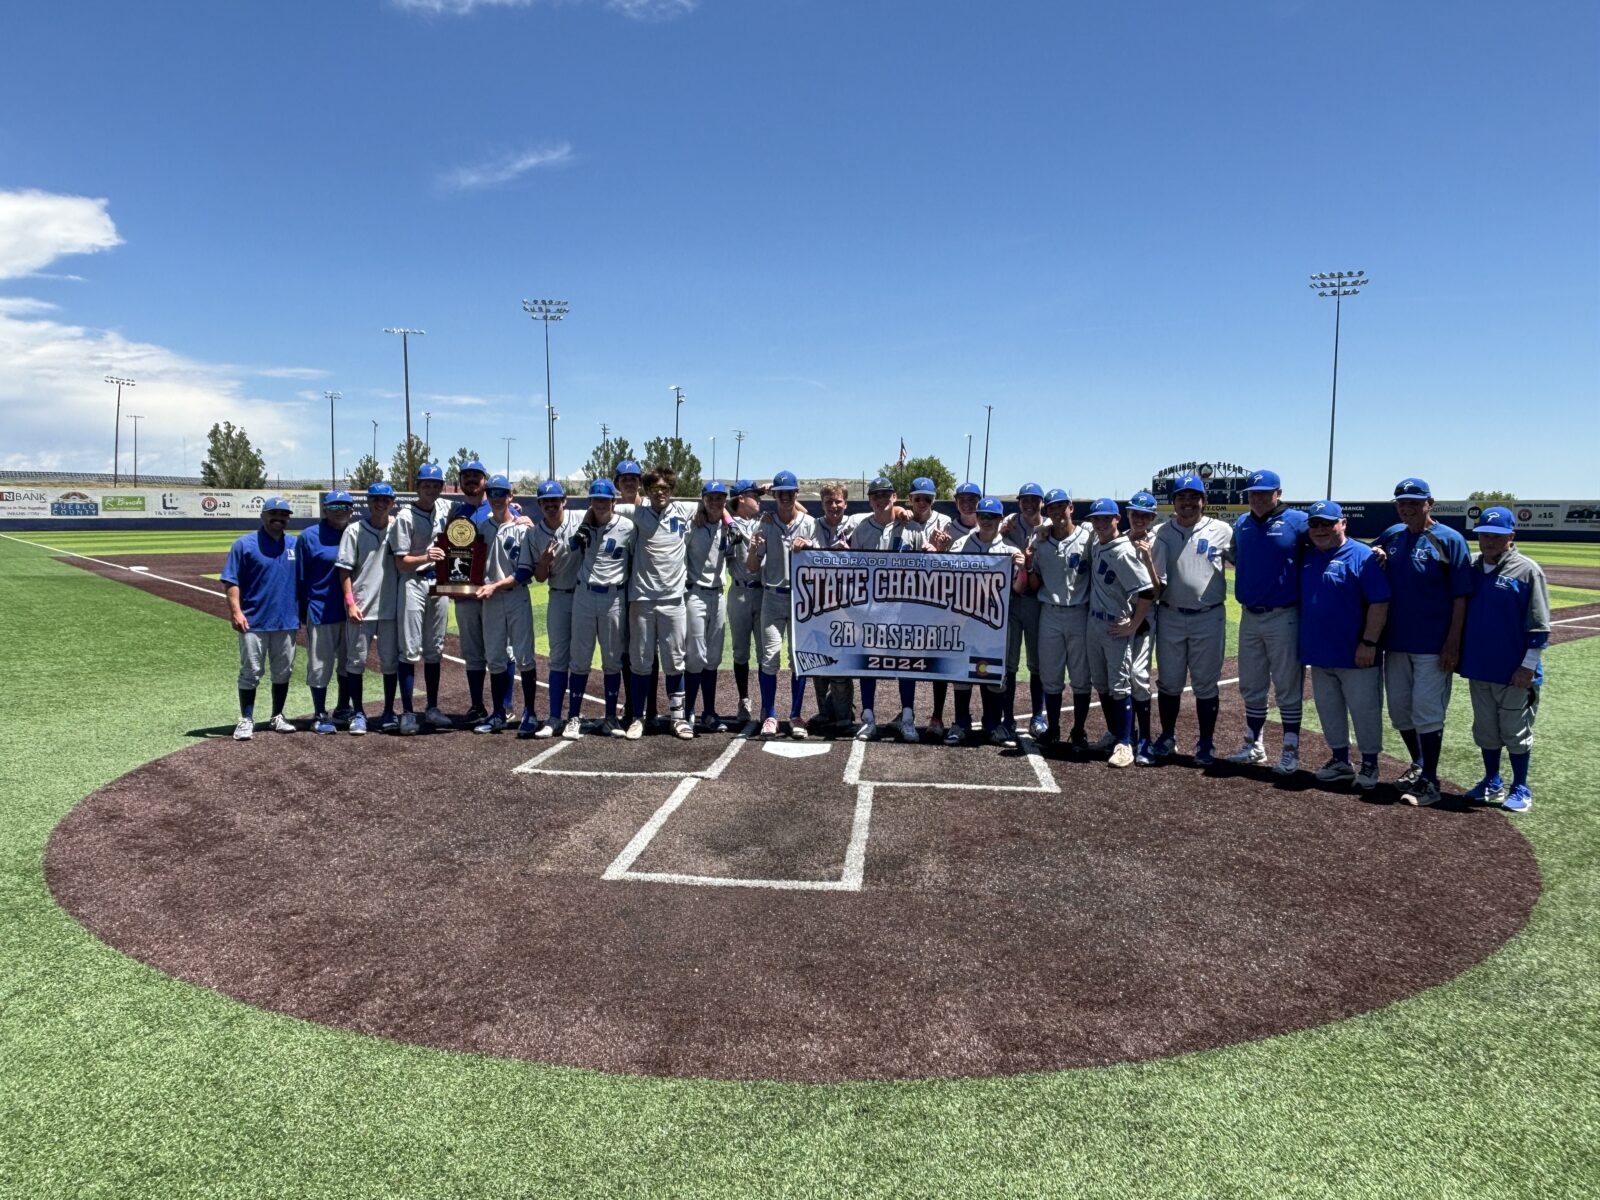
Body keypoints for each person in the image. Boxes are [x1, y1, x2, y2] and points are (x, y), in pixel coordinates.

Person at [1371, 477, 1473, 806]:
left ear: (1430, 503)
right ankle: (1419, 763)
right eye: (1402, 502)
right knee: (1400, 712)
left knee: (1427, 712)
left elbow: (1461, 597)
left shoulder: (1449, 540)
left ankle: (1430, 780)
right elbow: (1366, 560)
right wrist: (1375, 553)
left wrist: (1453, 643)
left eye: (1415, 502)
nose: (1407, 507)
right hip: (1396, 642)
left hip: (1433, 644)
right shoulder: (1392, 535)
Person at [1457, 507, 1549, 814]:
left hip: (1515, 672)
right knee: (1486, 730)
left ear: (1511, 536)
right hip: (1480, 666)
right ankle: (1492, 781)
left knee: (1514, 731)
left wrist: (1528, 665)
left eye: (1496, 536)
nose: (1489, 541)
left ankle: (1520, 785)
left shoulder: (1527, 570)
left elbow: (1538, 624)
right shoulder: (1470, 566)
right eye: (1484, 535)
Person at [1301, 500, 1391, 791]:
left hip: (1356, 653)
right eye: (1315, 524)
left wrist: (1369, 642)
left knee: (1364, 710)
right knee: (1329, 710)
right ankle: (1340, 760)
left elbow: (1379, 602)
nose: (1320, 529)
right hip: (1320, 651)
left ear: (1342, 523)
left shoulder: (1363, 556)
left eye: (1327, 523)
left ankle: (1369, 763)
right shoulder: (1308, 555)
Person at [1226, 469, 1309, 774]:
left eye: (1264, 493)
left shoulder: (1298, 521)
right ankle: (1253, 744)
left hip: (1284, 614)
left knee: (1287, 685)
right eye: (1253, 493)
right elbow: (1236, 557)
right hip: (1250, 614)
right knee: (1251, 684)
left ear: (1279, 493)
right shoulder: (1243, 523)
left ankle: (1290, 748)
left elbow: (1329, 545)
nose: (1257, 498)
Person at [1149, 472, 1233, 766]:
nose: (1188, 503)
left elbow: (1243, 560)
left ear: (1203, 501)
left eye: (1193, 497)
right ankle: (1167, 736)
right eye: (1181, 497)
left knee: (1205, 684)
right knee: (1169, 683)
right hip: (1171, 614)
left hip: (1208, 616)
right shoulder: (1162, 531)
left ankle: (1206, 743)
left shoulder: (1222, 530)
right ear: (1173, 502)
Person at [849, 477, 928, 741]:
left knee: (906, 663)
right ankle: (868, 717)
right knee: (869, 662)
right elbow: (852, 571)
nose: (881, 500)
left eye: (886, 495)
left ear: (895, 497)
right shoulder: (861, 529)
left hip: (904, 608)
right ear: (869, 500)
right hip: (870, 608)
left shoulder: (913, 528)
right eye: (875, 496)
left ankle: (907, 717)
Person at [619, 467, 695, 739]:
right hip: (642, 598)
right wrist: (522, 516)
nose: (660, 493)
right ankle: (637, 718)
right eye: (655, 489)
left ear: (672, 490)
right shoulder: (635, 512)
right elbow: (596, 509)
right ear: (647, 491)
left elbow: (721, 506)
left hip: (674, 599)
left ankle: (678, 718)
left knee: (675, 661)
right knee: (640, 661)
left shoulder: (685, 511)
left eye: (665, 488)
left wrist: (731, 522)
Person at [745, 469, 818, 737]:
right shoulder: (764, 523)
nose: (785, 497)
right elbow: (752, 567)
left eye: (790, 493)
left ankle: (796, 715)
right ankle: (770, 715)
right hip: (772, 596)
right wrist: (753, 548)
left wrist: (809, 545)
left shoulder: (810, 524)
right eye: (781, 493)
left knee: (798, 658)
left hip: (801, 600)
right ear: (774, 495)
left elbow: (822, 562)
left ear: (796, 494)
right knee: (769, 658)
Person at [947, 498, 1025, 745]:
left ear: (1001, 519)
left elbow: (1018, 589)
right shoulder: (961, 545)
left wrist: (1022, 569)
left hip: (994, 624)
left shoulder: (1011, 551)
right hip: (964, 620)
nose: (987, 520)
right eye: (983, 515)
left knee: (992, 673)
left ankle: (992, 724)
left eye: (992, 516)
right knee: (962, 672)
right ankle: (961, 722)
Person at [1085, 498, 1156, 768]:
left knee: (1119, 684)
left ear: (1117, 518)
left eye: (1105, 518)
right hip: (1094, 622)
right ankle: (1115, 733)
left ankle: (1125, 743)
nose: (1100, 523)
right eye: (1096, 519)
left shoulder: (1124, 551)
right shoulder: (1097, 542)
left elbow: (1147, 591)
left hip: (1115, 624)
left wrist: (1134, 624)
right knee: (1101, 683)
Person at [221, 496, 300, 739]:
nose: (279, 518)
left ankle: (277, 715)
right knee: (251, 671)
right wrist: (236, 611)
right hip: (253, 620)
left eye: (284, 515)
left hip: (286, 619)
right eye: (273, 514)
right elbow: (231, 580)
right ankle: (246, 719)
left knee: (283, 670)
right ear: (263, 515)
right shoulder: (244, 544)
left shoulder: (295, 544)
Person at [563, 479, 635, 738]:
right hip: (585, 592)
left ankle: (610, 718)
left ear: (614, 502)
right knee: (580, 658)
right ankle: (573, 717)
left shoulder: (627, 526)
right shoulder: (583, 526)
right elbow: (571, 545)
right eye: (596, 499)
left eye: (605, 500)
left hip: (614, 596)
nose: (600, 504)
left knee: (612, 659)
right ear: (590, 501)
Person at [472, 475, 541, 736]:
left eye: (502, 493)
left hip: (515, 596)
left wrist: (494, 586)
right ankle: (499, 713)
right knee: (495, 658)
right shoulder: (482, 528)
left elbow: (525, 572)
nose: (497, 497)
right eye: (492, 493)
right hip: (490, 598)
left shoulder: (524, 529)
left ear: (511, 497)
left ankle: (530, 713)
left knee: (524, 655)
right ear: (487, 497)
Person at [1028, 488, 1096, 749]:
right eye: (1052, 508)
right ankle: (1054, 728)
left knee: (1081, 676)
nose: (1057, 512)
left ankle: (1079, 730)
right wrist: (1029, 561)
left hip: (1080, 612)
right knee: (1051, 675)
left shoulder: (1088, 537)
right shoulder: (1041, 543)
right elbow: (1035, 584)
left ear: (1071, 507)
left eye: (1061, 506)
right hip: (1051, 613)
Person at [388, 463, 451, 733]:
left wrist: (516, 510)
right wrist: (427, 556)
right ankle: (408, 712)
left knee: (435, 648)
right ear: (418, 486)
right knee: (410, 650)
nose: (431, 488)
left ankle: (433, 708)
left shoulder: (445, 508)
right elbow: (400, 563)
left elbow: (477, 506)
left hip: (439, 584)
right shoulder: (404, 516)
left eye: (436, 484)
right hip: (413, 582)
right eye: (426, 484)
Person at [335, 483, 402, 735]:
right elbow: (344, 570)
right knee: (355, 662)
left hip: (390, 608)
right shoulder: (354, 530)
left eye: (385, 499)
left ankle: (388, 711)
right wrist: (350, 602)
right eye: (376, 499)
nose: (380, 503)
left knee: (390, 663)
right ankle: (359, 713)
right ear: (369, 501)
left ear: (392, 502)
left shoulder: (398, 527)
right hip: (361, 608)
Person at [527, 479, 584, 738]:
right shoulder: (535, 533)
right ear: (539, 504)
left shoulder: (581, 518)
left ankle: (574, 716)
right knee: (558, 657)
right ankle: (553, 717)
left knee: (580, 658)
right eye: (545, 501)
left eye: (555, 500)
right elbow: (539, 577)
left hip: (585, 595)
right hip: (559, 595)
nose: (551, 505)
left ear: (564, 501)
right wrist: (544, 562)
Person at [295, 491, 354, 735]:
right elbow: (299, 577)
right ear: (325, 509)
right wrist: (301, 611)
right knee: (320, 666)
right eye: (335, 506)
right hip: (321, 609)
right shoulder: (309, 536)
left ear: (351, 509)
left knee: (350, 664)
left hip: (353, 611)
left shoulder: (355, 532)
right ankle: (319, 712)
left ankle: (342, 708)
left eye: (345, 505)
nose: (340, 510)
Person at [684, 481, 737, 732]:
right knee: (695, 656)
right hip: (694, 593)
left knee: (713, 657)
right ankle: (688, 711)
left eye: (720, 497)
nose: (716, 502)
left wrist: (731, 522)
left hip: (718, 594)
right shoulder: (693, 524)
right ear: (703, 499)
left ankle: (709, 711)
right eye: (711, 497)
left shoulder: (729, 527)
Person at [907, 477, 957, 738]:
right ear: (910, 499)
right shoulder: (902, 519)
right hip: (908, 599)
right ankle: (907, 711)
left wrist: (940, 550)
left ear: (933, 500)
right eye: (918, 498)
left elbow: (956, 563)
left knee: (938, 657)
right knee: (907, 657)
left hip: (937, 598)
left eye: (927, 498)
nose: (922, 502)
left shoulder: (945, 522)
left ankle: (937, 715)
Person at [808, 482, 860, 734]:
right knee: (819, 661)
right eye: (829, 501)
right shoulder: (812, 526)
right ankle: (824, 712)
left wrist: (901, 511)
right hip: (816, 603)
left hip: (846, 603)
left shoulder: (855, 524)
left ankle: (844, 714)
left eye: (838, 501)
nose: (834, 506)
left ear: (846, 503)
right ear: (822, 504)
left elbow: (886, 513)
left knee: (841, 661)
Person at [446, 460, 494, 726]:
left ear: (485, 480)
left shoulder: (500, 507)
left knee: (501, 650)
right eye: (467, 476)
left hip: (493, 591)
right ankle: (477, 705)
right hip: (465, 592)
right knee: (473, 652)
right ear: (461, 481)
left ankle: (504, 705)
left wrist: (521, 516)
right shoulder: (456, 512)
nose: (472, 480)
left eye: (476, 475)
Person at [1002, 483, 1048, 738]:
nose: (1028, 504)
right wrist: (1001, 529)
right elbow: (990, 533)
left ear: (1041, 502)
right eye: (1024, 500)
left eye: (1034, 500)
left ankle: (1037, 715)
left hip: (1036, 598)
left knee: (1035, 661)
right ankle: (1007, 717)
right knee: (1009, 660)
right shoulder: (1009, 521)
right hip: (1009, 597)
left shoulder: (1049, 524)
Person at [1123, 491, 1162, 764]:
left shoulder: (1159, 543)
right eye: (1135, 513)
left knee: (1138, 676)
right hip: (1119, 616)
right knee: (1116, 678)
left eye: (1144, 515)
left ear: (1152, 518)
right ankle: (1122, 735)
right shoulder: (1118, 540)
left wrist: (1148, 560)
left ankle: (1145, 738)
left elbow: (1157, 592)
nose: (1139, 519)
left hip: (1145, 616)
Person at [724, 480, 766, 729]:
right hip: (739, 590)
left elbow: (802, 513)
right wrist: (727, 516)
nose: (759, 499)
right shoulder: (727, 524)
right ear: (741, 498)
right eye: (754, 495)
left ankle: (765, 703)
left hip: (762, 592)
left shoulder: (764, 521)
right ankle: (743, 699)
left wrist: (771, 490)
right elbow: (710, 508)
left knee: (764, 653)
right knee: (740, 651)